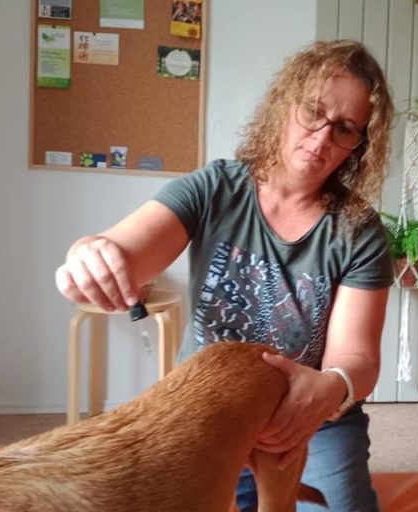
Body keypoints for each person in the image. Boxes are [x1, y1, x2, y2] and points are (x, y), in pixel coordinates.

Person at [55, 39, 394, 511]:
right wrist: (88, 254)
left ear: (359, 145)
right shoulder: (214, 188)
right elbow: (125, 251)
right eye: (313, 111)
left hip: (312, 418)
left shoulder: (359, 230)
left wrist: (332, 385)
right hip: (207, 409)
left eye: (344, 128)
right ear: (285, 103)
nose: (321, 138)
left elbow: (357, 358)